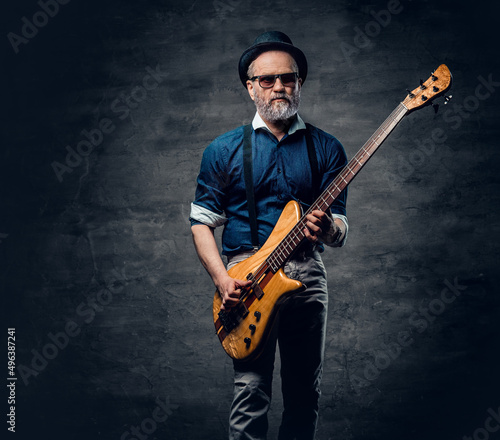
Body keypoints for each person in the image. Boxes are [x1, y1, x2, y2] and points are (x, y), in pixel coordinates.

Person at [190, 31, 349, 440]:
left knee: (303, 392)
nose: (279, 86)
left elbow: (340, 228)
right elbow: (201, 223)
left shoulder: (327, 148)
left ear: (300, 83)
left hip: (306, 276)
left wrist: (330, 228)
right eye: (267, 79)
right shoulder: (222, 150)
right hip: (246, 276)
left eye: (288, 78)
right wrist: (223, 280)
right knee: (251, 389)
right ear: (250, 87)